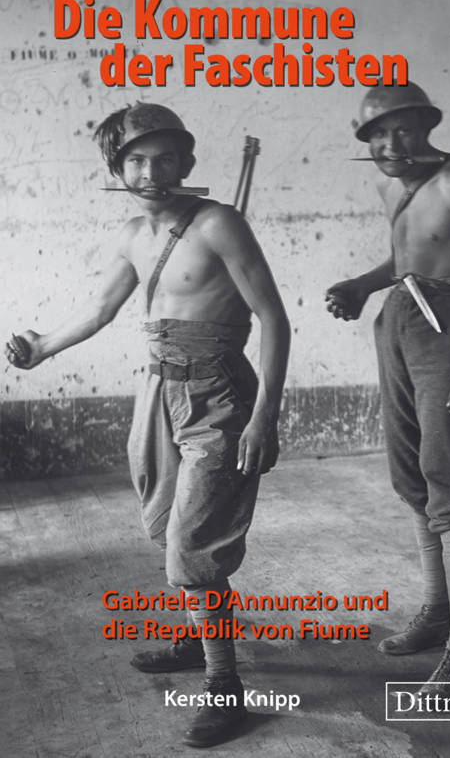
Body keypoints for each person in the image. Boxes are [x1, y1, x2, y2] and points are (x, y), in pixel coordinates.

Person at [6, 102, 290, 747]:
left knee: (193, 544)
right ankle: (196, 639)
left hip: (219, 395)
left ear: (187, 162)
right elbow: (100, 308)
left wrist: (264, 418)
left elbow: (274, 319)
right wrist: (42, 347)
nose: (151, 173)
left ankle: (225, 687)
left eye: (165, 159)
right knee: (165, 526)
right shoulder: (133, 233)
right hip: (158, 392)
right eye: (136, 160)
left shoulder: (220, 224)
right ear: (118, 169)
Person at [325, 82, 450, 695]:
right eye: (377, 134)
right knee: (411, 477)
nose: (390, 143)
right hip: (400, 321)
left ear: (427, 126)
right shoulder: (389, 184)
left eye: (402, 129)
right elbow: (405, 261)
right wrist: (361, 286)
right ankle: (437, 613)